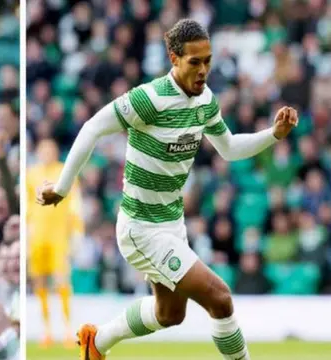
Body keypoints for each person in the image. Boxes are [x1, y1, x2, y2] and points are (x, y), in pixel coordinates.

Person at [37, 19, 298, 360]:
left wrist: (273, 135)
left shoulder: (205, 101)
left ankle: (96, 343)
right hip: (141, 228)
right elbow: (91, 128)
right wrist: (62, 187)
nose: (203, 69)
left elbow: (230, 148)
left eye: (208, 60)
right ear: (174, 58)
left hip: (172, 224)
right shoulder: (150, 98)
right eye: (194, 61)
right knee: (219, 297)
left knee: (170, 314)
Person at [26, 139, 83, 347]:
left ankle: (68, 329)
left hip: (59, 235)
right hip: (37, 236)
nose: (46, 153)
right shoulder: (31, 174)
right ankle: (46, 330)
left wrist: (77, 231)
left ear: (56, 151)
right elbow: (26, 205)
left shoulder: (65, 171)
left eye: (50, 150)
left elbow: (76, 202)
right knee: (39, 282)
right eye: (43, 150)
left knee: (62, 280)